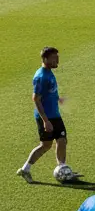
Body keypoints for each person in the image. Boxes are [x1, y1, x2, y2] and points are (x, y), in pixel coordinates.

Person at [17, 46, 76, 184]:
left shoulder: (49, 72)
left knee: (62, 140)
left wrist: (57, 98)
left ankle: (62, 168)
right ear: (45, 59)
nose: (57, 61)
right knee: (45, 145)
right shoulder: (41, 76)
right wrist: (45, 121)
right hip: (46, 117)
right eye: (54, 58)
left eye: (58, 58)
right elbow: (36, 99)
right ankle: (25, 169)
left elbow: (49, 92)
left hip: (55, 115)